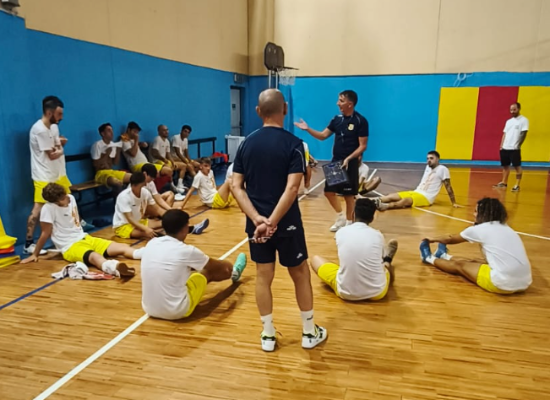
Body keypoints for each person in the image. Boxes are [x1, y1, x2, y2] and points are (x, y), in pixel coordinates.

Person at [232, 88, 327, 352]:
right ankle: (309, 332)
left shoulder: (245, 144)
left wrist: (258, 220)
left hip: (257, 226)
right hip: (287, 223)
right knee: (300, 273)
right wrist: (272, 222)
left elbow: (236, 186)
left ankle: (268, 335)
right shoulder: (295, 144)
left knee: (263, 276)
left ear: (258, 111)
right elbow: (293, 188)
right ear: (284, 109)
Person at [141, 209, 247, 320]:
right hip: (177, 311)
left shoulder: (151, 243)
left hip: (149, 309)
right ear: (185, 229)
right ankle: (235, 273)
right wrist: (229, 267)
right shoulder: (187, 251)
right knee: (207, 272)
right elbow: (218, 267)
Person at [20, 183, 139, 278]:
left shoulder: (71, 198)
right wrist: (35, 254)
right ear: (55, 202)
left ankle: (145, 254)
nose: (67, 198)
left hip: (85, 237)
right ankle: (115, 268)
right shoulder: (48, 208)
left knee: (122, 247)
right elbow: (45, 233)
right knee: (94, 257)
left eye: (65, 195)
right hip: (70, 246)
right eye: (63, 198)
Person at [420, 197, 532, 294]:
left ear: (484, 214)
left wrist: (432, 239)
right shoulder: (508, 229)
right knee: (476, 262)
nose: (473, 214)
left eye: (476, 211)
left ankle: (428, 258)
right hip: (525, 283)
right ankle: (444, 256)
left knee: (460, 266)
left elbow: (450, 238)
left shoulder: (480, 229)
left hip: (501, 284)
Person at [295, 90, 368, 232]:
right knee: (329, 192)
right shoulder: (337, 119)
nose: (337, 103)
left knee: (348, 195)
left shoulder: (360, 121)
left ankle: (349, 224)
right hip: (336, 162)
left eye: (341, 100)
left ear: (350, 104)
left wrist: (349, 158)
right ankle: (341, 217)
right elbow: (323, 136)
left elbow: (363, 146)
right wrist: (308, 129)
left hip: (350, 163)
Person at [310, 199, 398, 301]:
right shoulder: (378, 235)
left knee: (315, 259)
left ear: (353, 214)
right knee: (384, 267)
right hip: (377, 293)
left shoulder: (341, 232)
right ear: (372, 218)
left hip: (346, 293)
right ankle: (388, 260)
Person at [25, 96, 71, 255]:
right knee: (38, 208)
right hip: (43, 175)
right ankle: (28, 243)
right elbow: (52, 154)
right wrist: (61, 148)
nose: (61, 117)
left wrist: (59, 147)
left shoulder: (54, 127)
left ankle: (68, 234)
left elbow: (56, 146)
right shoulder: (39, 130)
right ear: (49, 113)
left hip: (58, 173)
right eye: (59, 114)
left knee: (68, 201)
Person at [375, 151, 459, 210]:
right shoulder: (428, 167)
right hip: (416, 192)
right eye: (427, 158)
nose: (429, 160)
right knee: (392, 196)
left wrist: (454, 202)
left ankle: (385, 206)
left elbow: (448, 186)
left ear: (437, 159)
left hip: (426, 197)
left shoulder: (443, 169)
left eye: (431, 158)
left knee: (405, 200)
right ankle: (371, 201)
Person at [493, 102, 529, 192]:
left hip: (514, 148)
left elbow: (524, 133)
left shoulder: (524, 120)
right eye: (511, 110)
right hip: (505, 147)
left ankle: (517, 185)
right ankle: (504, 182)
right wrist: (501, 145)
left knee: (517, 166)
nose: (512, 111)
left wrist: (518, 144)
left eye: (514, 109)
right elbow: (505, 133)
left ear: (519, 109)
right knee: (505, 166)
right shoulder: (508, 121)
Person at [91, 123, 130, 191]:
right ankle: (119, 198)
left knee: (134, 178)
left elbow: (115, 163)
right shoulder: (97, 145)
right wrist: (106, 153)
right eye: (109, 130)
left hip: (111, 171)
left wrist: (118, 151)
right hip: (101, 173)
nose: (112, 133)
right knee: (117, 183)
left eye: (112, 130)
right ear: (103, 134)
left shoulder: (113, 144)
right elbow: (95, 164)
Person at [151, 124, 187, 192]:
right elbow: (155, 153)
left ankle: (179, 184)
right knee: (169, 169)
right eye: (164, 130)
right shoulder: (157, 139)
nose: (166, 132)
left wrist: (172, 162)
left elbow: (168, 154)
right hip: (156, 162)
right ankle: (173, 187)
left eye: (167, 130)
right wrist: (164, 159)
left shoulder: (167, 141)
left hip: (164, 161)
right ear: (159, 131)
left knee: (183, 166)